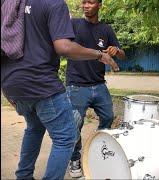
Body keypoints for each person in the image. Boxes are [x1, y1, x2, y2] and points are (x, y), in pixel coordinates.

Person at [0, 0, 119, 179]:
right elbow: (64, 47)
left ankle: (23, 176)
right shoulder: (53, 3)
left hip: (12, 81)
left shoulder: (9, 3)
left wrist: (7, 85)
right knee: (66, 137)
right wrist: (99, 54)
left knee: (34, 127)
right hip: (41, 83)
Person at [65, 0, 126, 178]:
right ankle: (74, 158)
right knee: (75, 124)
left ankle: (95, 148)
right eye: (84, 2)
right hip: (76, 85)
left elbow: (122, 54)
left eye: (90, 2)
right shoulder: (73, 24)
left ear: (99, 5)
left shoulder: (106, 29)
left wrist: (116, 50)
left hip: (99, 85)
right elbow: (63, 45)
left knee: (108, 117)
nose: (85, 5)